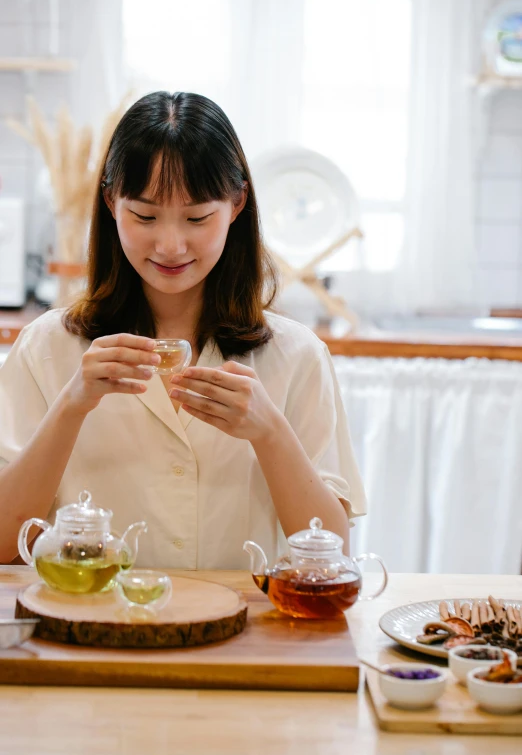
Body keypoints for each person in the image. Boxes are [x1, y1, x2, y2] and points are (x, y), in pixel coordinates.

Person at [0, 91, 366, 569]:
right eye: (145, 216)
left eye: (196, 218)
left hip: (243, 638)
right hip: (94, 633)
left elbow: (332, 559)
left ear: (236, 205)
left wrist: (270, 432)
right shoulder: (48, 347)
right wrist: (71, 407)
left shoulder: (297, 355)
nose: (170, 245)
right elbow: (5, 545)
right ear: (112, 203)